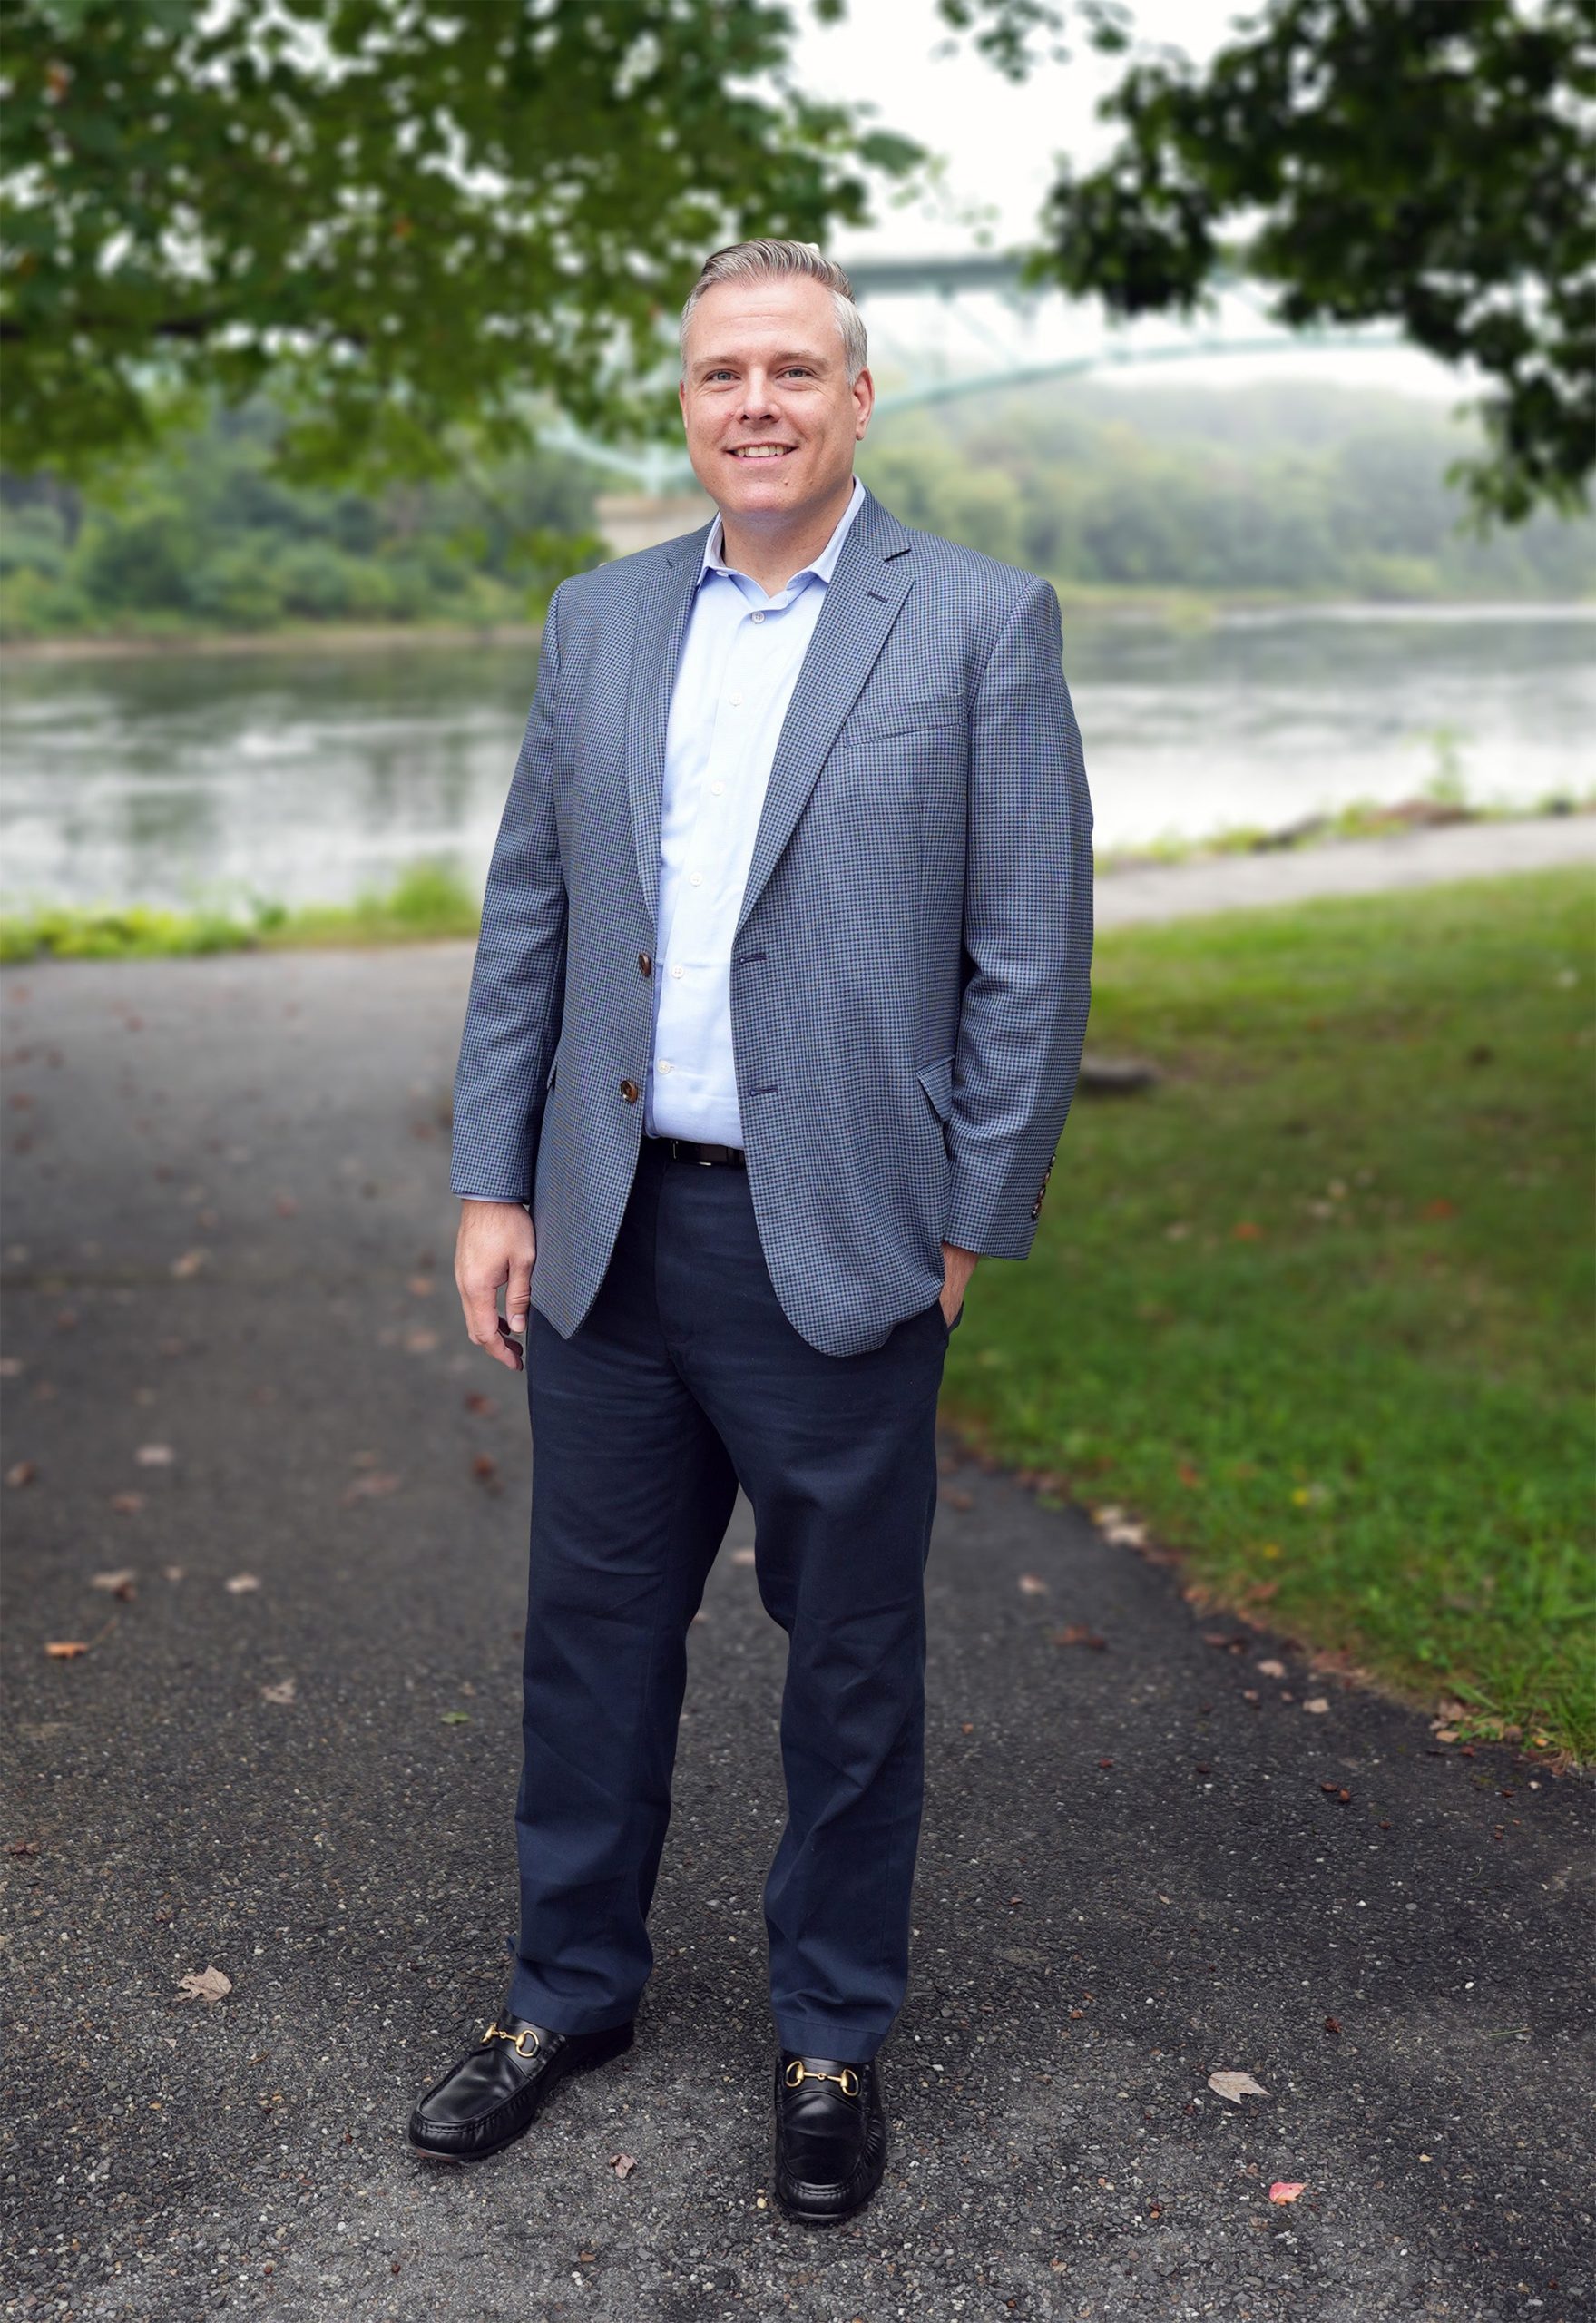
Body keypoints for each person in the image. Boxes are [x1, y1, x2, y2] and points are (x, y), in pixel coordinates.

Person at [406, 239, 1093, 2223]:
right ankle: (566, 1991)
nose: (758, 403)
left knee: (848, 1661)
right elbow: (528, 913)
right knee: (588, 1646)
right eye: (724, 373)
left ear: (859, 398)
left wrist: (970, 1213)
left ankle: (828, 2030)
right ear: (688, 402)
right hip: (615, 1239)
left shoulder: (974, 622)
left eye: (796, 368)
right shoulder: (599, 620)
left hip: (847, 1245)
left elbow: (1025, 956)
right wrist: (490, 1177)